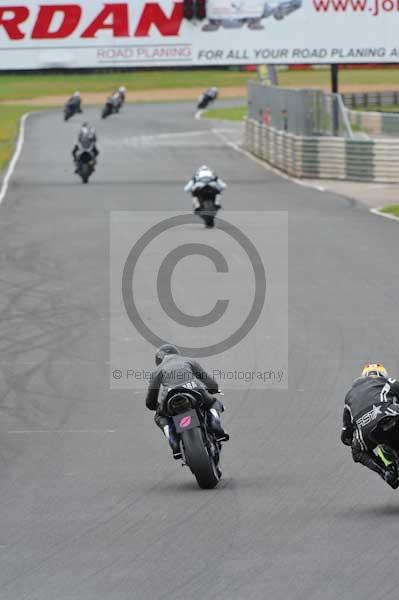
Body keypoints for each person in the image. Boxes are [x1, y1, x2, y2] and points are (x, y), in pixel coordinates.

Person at [145, 344, 229, 459]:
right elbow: (208, 381)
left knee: (160, 417)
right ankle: (215, 424)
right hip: (194, 390)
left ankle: (174, 442)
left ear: (158, 359)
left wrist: (156, 407)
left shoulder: (157, 370)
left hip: (170, 397)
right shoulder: (188, 361)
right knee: (213, 403)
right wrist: (213, 389)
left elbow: (151, 399)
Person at [341, 363, 399, 489]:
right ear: (381, 375)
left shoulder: (349, 395)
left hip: (367, 433)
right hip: (388, 417)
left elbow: (345, 436)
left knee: (357, 451)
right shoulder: (387, 381)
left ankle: (386, 472)